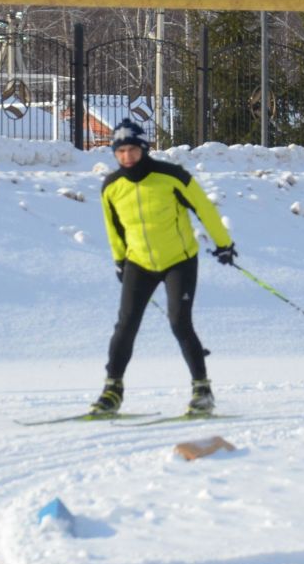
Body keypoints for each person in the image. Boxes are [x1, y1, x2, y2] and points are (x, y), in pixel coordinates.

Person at [92, 119, 236, 417]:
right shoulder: (111, 187)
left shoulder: (172, 177)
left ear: (144, 148)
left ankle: (201, 390)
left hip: (178, 261)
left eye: (132, 149)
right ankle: (112, 390)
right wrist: (120, 260)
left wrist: (223, 243)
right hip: (138, 263)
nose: (127, 156)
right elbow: (113, 229)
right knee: (125, 326)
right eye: (120, 151)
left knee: (179, 322)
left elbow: (204, 209)